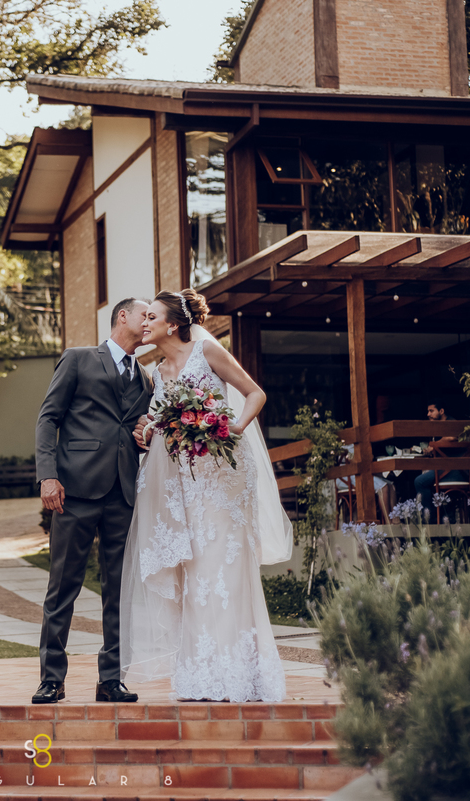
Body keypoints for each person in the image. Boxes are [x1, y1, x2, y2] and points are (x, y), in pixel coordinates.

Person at [121, 289, 293, 702]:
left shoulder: (208, 350)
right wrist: (147, 430)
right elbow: (164, 425)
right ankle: (203, 673)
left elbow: (255, 394)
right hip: (185, 485)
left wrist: (233, 426)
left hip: (225, 478)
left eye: (152, 318)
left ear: (173, 324)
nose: (144, 324)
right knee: (195, 573)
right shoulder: (159, 371)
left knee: (226, 570)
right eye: (142, 319)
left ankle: (242, 673)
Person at [33, 297, 153, 704]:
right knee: (62, 587)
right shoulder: (79, 359)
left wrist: (144, 437)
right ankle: (52, 678)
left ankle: (110, 678)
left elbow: (136, 430)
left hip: (122, 493)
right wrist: (48, 475)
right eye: (145, 314)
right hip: (74, 490)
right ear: (123, 316)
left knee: (117, 591)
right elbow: (48, 418)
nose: (150, 321)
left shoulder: (147, 378)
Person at [413, 401, 466, 521]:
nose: (428, 414)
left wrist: (435, 444)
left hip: (458, 470)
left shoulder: (451, 422)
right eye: (428, 411)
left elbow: (453, 436)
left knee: (419, 482)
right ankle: (439, 518)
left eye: (431, 411)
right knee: (424, 477)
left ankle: (428, 521)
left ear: (441, 411)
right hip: (448, 468)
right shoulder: (440, 427)